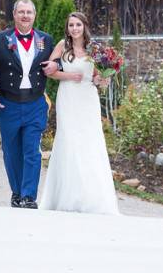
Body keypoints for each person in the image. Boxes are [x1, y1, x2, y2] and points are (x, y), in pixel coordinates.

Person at [38, 12, 119, 215]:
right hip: (68, 96)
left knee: (90, 142)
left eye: (78, 25)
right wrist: (69, 75)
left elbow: (97, 78)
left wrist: (103, 80)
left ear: (84, 26)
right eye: (71, 25)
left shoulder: (95, 50)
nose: (74, 28)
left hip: (88, 99)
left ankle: (91, 197)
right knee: (69, 140)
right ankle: (65, 196)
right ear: (68, 28)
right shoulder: (62, 46)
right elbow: (48, 70)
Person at [0, 0, 59, 209]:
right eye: (21, 12)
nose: (25, 16)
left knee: (32, 150)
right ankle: (16, 192)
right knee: (11, 151)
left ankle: (28, 196)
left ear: (34, 16)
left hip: (35, 104)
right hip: (8, 104)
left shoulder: (46, 39)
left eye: (29, 12)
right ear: (14, 15)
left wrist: (56, 64)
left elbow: (58, 60)